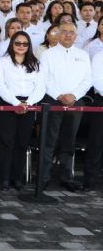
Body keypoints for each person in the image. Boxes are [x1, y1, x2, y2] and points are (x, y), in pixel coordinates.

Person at [39, 22, 92, 191]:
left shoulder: (83, 55)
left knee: (69, 141)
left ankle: (66, 177)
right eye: (65, 32)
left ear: (76, 36)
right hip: (53, 101)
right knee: (49, 141)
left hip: (75, 101)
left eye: (71, 33)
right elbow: (44, 79)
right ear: (58, 34)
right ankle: (44, 177)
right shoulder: (48, 54)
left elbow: (87, 80)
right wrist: (59, 95)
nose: (68, 35)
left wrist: (74, 95)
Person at [0, 31, 44, 191]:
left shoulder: (36, 63)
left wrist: (27, 103)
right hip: (7, 103)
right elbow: (0, 85)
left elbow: (40, 87)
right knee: (6, 142)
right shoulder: (3, 62)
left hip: (28, 105)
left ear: (29, 46)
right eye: (18, 43)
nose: (21, 46)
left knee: (22, 143)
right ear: (11, 44)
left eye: (25, 44)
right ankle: (4, 178)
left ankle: (17, 178)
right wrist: (16, 103)